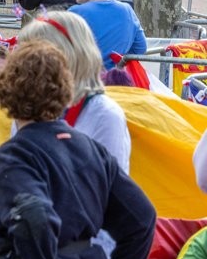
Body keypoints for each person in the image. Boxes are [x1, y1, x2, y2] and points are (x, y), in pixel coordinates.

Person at [0, 40, 155, 259]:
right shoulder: (91, 149)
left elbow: (34, 217)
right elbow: (142, 217)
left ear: (6, 91)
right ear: (65, 90)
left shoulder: (14, 155)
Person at [17, 11, 131, 174]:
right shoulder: (28, 109)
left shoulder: (104, 115)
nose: (25, 64)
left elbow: (109, 191)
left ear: (68, 56)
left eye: (34, 56)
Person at [69, 0, 147, 69]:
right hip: (118, 81)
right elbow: (140, 48)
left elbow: (58, 50)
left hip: (84, 81)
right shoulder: (127, 10)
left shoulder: (76, 12)